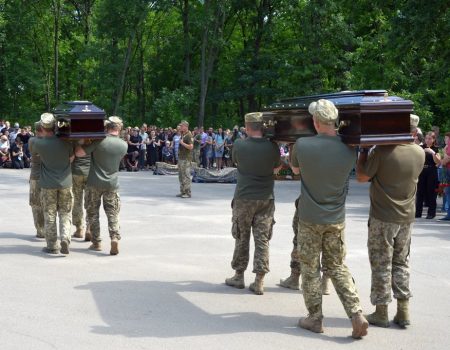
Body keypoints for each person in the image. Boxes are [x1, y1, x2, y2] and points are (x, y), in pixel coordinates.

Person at [290, 99, 368, 339]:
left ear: (315, 121)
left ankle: (315, 318)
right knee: (337, 266)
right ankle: (356, 313)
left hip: (309, 218)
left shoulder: (301, 145)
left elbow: (294, 171)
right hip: (336, 219)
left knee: (310, 268)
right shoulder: (349, 149)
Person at [356, 114, 425, 328]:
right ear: (413, 132)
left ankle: (381, 311)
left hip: (382, 216)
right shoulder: (420, 152)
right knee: (401, 262)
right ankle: (403, 311)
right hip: (406, 217)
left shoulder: (383, 151)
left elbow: (361, 176)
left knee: (381, 263)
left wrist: (364, 151)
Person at [225, 112, 281, 295]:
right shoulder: (272, 147)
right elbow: (276, 167)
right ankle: (259, 280)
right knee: (262, 239)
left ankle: (239, 275)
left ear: (248, 127)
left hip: (244, 197)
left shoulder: (240, 145)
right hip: (266, 198)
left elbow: (236, 161)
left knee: (242, 236)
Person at [75, 116, 128, 255]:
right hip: (112, 183)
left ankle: (96, 242)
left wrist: (80, 142)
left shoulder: (99, 141)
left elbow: (79, 153)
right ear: (119, 128)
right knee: (113, 213)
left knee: (93, 213)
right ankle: (115, 237)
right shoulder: (124, 145)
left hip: (94, 182)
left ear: (107, 127)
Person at [29, 113, 74, 254]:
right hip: (65, 182)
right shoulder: (67, 142)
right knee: (65, 212)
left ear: (42, 127)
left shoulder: (38, 143)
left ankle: (52, 245)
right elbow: (72, 156)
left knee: (49, 214)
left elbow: (32, 148)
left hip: (47, 184)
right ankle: (65, 237)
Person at [415, 131, 441, 219]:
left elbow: (438, 162)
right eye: (426, 138)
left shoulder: (436, 148)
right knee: (420, 192)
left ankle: (431, 213)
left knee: (431, 192)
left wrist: (432, 152)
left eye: (430, 139)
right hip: (421, 170)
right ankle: (418, 212)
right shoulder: (421, 147)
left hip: (431, 171)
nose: (427, 140)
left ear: (433, 140)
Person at [28, 122, 45, 238]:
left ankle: (40, 230)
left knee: (35, 204)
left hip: (35, 175)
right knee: (48, 204)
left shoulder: (32, 141)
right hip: (48, 176)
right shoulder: (52, 141)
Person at [72, 140, 91, 240]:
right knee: (90, 202)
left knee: (76, 202)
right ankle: (89, 228)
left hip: (76, 172)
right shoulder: (94, 139)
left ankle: (79, 228)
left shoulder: (75, 138)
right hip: (90, 172)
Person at [176, 120, 193, 198]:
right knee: (181, 175)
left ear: (186, 126)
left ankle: (187, 192)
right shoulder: (183, 134)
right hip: (181, 158)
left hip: (186, 158)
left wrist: (182, 143)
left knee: (186, 175)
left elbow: (191, 147)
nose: (180, 127)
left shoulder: (189, 135)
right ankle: (182, 191)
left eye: (182, 126)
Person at [440, 132, 450, 221]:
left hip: (448, 170)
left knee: (448, 192)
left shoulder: (448, 147)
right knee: (446, 191)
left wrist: (444, 152)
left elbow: (445, 160)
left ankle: (448, 214)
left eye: (446, 138)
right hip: (446, 170)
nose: (445, 140)